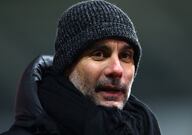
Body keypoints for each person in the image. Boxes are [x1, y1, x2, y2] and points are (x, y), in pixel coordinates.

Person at [1, 0, 161, 135]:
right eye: (99, 54)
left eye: (125, 56)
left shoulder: (145, 126)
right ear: (66, 66)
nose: (116, 69)